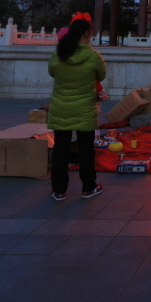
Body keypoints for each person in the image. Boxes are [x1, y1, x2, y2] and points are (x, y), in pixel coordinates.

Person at [47, 19, 106, 201]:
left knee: (60, 149)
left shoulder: (59, 53)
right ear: (88, 33)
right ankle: (88, 188)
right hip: (84, 109)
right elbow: (101, 75)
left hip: (61, 107)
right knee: (86, 149)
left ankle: (59, 191)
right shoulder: (93, 56)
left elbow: (52, 72)